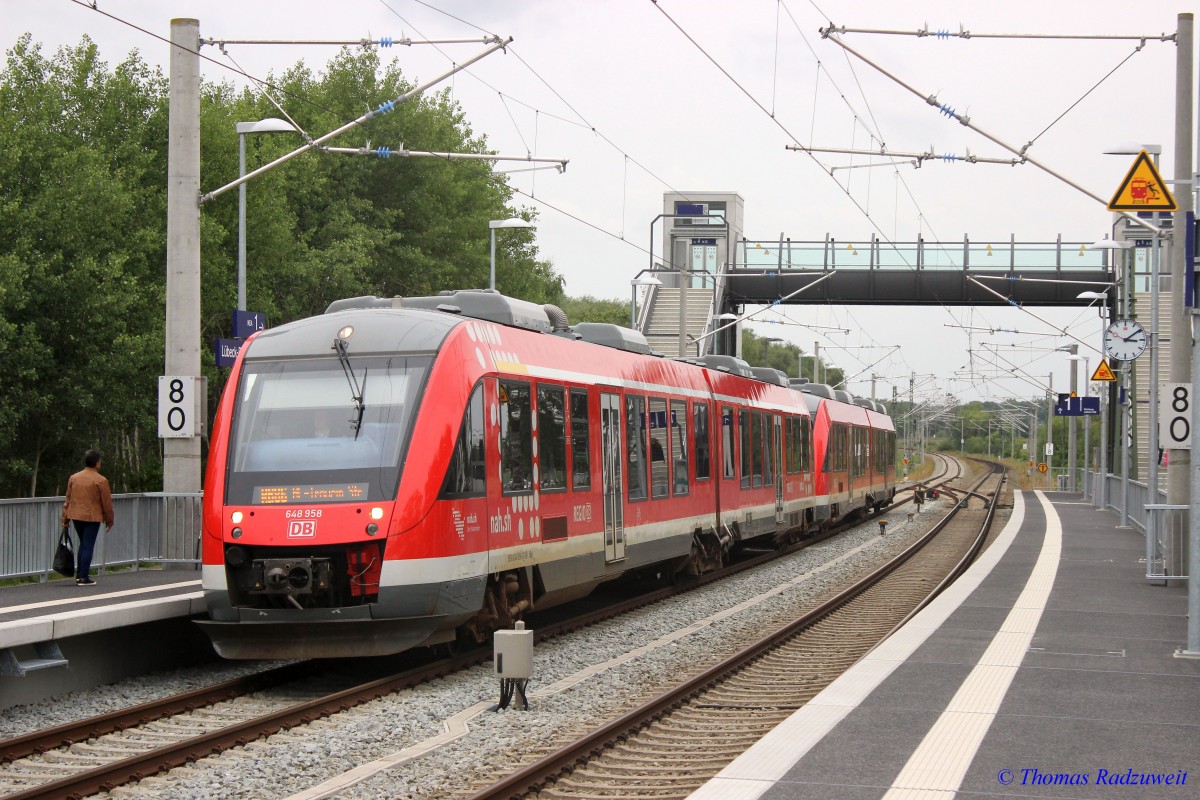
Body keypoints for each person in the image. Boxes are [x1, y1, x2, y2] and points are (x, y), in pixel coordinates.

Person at [61, 449, 114, 586]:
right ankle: (83, 577)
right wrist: (110, 520)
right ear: (97, 463)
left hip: (75, 515)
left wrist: (65, 518)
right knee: (88, 545)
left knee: (83, 544)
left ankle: (80, 575)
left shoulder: (74, 477)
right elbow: (106, 503)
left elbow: (68, 498)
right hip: (92, 516)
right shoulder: (101, 480)